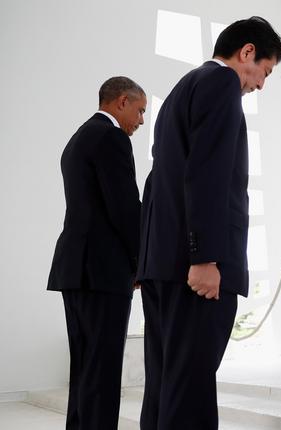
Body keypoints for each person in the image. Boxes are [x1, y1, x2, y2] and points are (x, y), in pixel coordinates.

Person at [136, 17, 281, 429]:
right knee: (190, 390)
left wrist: (144, 260)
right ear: (247, 52)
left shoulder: (180, 92)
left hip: (163, 265)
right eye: (265, 72)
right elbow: (208, 174)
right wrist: (206, 258)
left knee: (166, 384)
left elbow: (158, 181)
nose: (260, 84)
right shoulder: (220, 84)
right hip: (193, 268)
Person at [47, 76, 146, 429]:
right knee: (102, 373)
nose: (141, 121)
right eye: (139, 110)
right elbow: (124, 209)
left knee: (85, 368)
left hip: (74, 269)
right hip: (103, 271)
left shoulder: (77, 139)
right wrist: (141, 263)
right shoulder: (111, 137)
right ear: (121, 102)